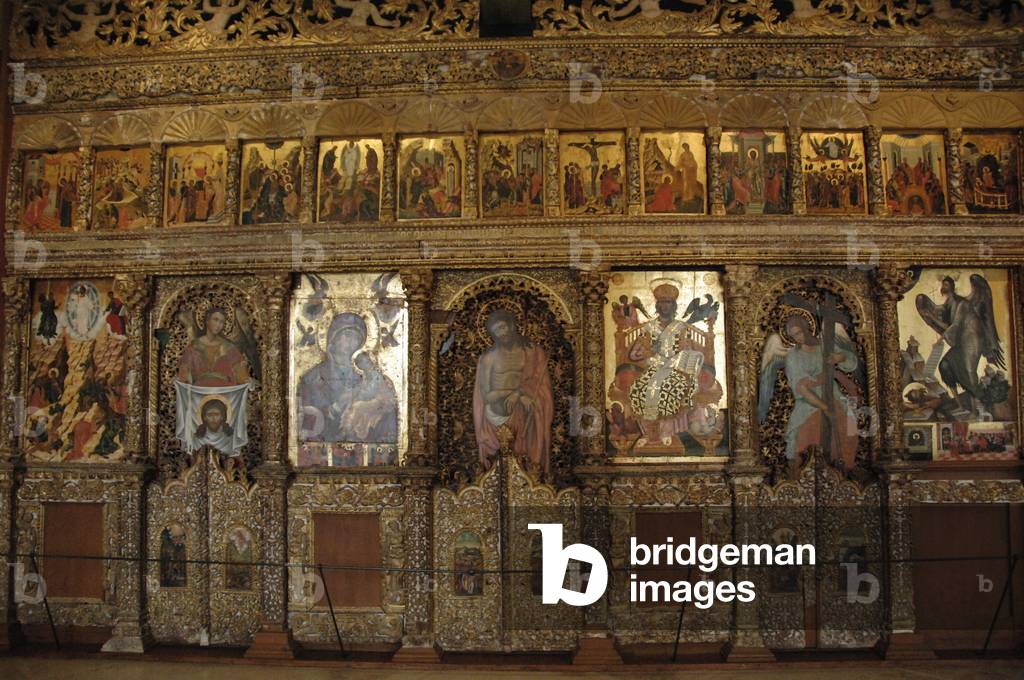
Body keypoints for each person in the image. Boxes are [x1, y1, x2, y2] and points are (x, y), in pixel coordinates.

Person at [473, 309, 553, 477]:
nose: (501, 334)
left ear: (512, 326)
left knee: (527, 465)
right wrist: (515, 393)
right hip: (495, 419)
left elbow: (541, 383)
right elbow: (486, 396)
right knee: (496, 469)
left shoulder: (533, 352)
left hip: (525, 415)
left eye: (503, 327)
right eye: (496, 331)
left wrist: (520, 395)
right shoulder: (488, 358)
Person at [298, 312, 398, 444]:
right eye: (347, 335)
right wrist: (337, 406)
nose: (352, 342)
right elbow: (307, 420)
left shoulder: (367, 374)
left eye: (357, 338)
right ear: (334, 338)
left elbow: (387, 409)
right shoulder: (312, 378)